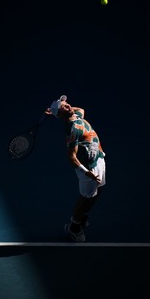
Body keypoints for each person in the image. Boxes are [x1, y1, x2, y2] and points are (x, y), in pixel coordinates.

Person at [46, 96, 106, 242]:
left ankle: (83, 216)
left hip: (98, 159)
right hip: (88, 168)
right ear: (60, 115)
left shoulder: (76, 114)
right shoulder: (73, 130)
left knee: (98, 191)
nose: (67, 106)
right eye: (63, 107)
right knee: (86, 197)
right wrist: (87, 173)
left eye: (66, 103)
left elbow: (81, 109)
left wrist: (57, 109)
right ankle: (74, 227)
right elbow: (72, 157)